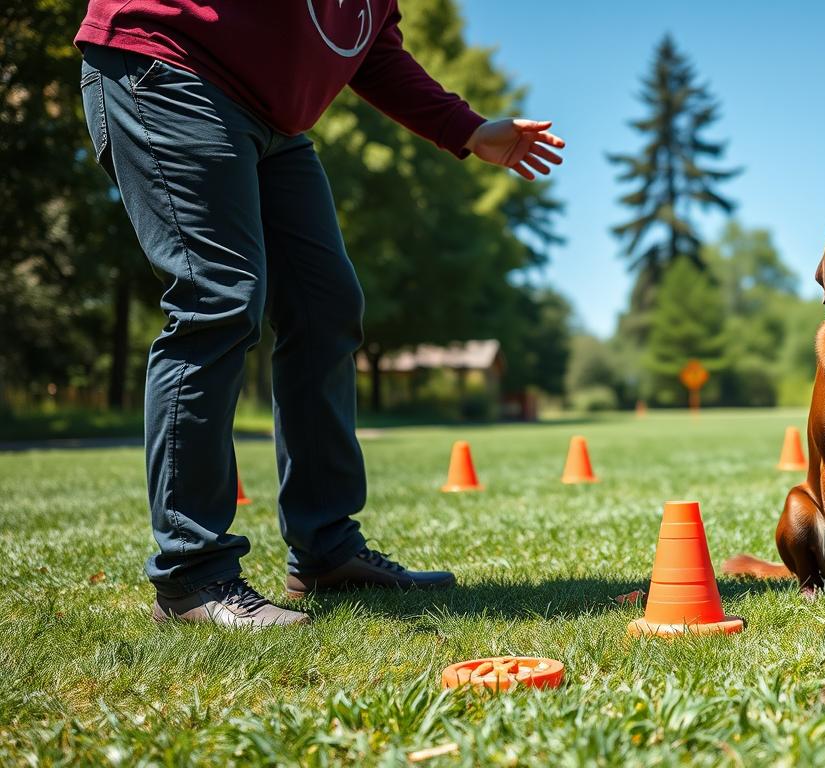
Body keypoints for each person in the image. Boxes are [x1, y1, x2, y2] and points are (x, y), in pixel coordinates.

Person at [75, 1, 564, 628]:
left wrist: (466, 129)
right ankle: (191, 576)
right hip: (169, 67)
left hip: (272, 119)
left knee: (326, 306)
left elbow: (370, 51)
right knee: (217, 299)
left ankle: (326, 549)